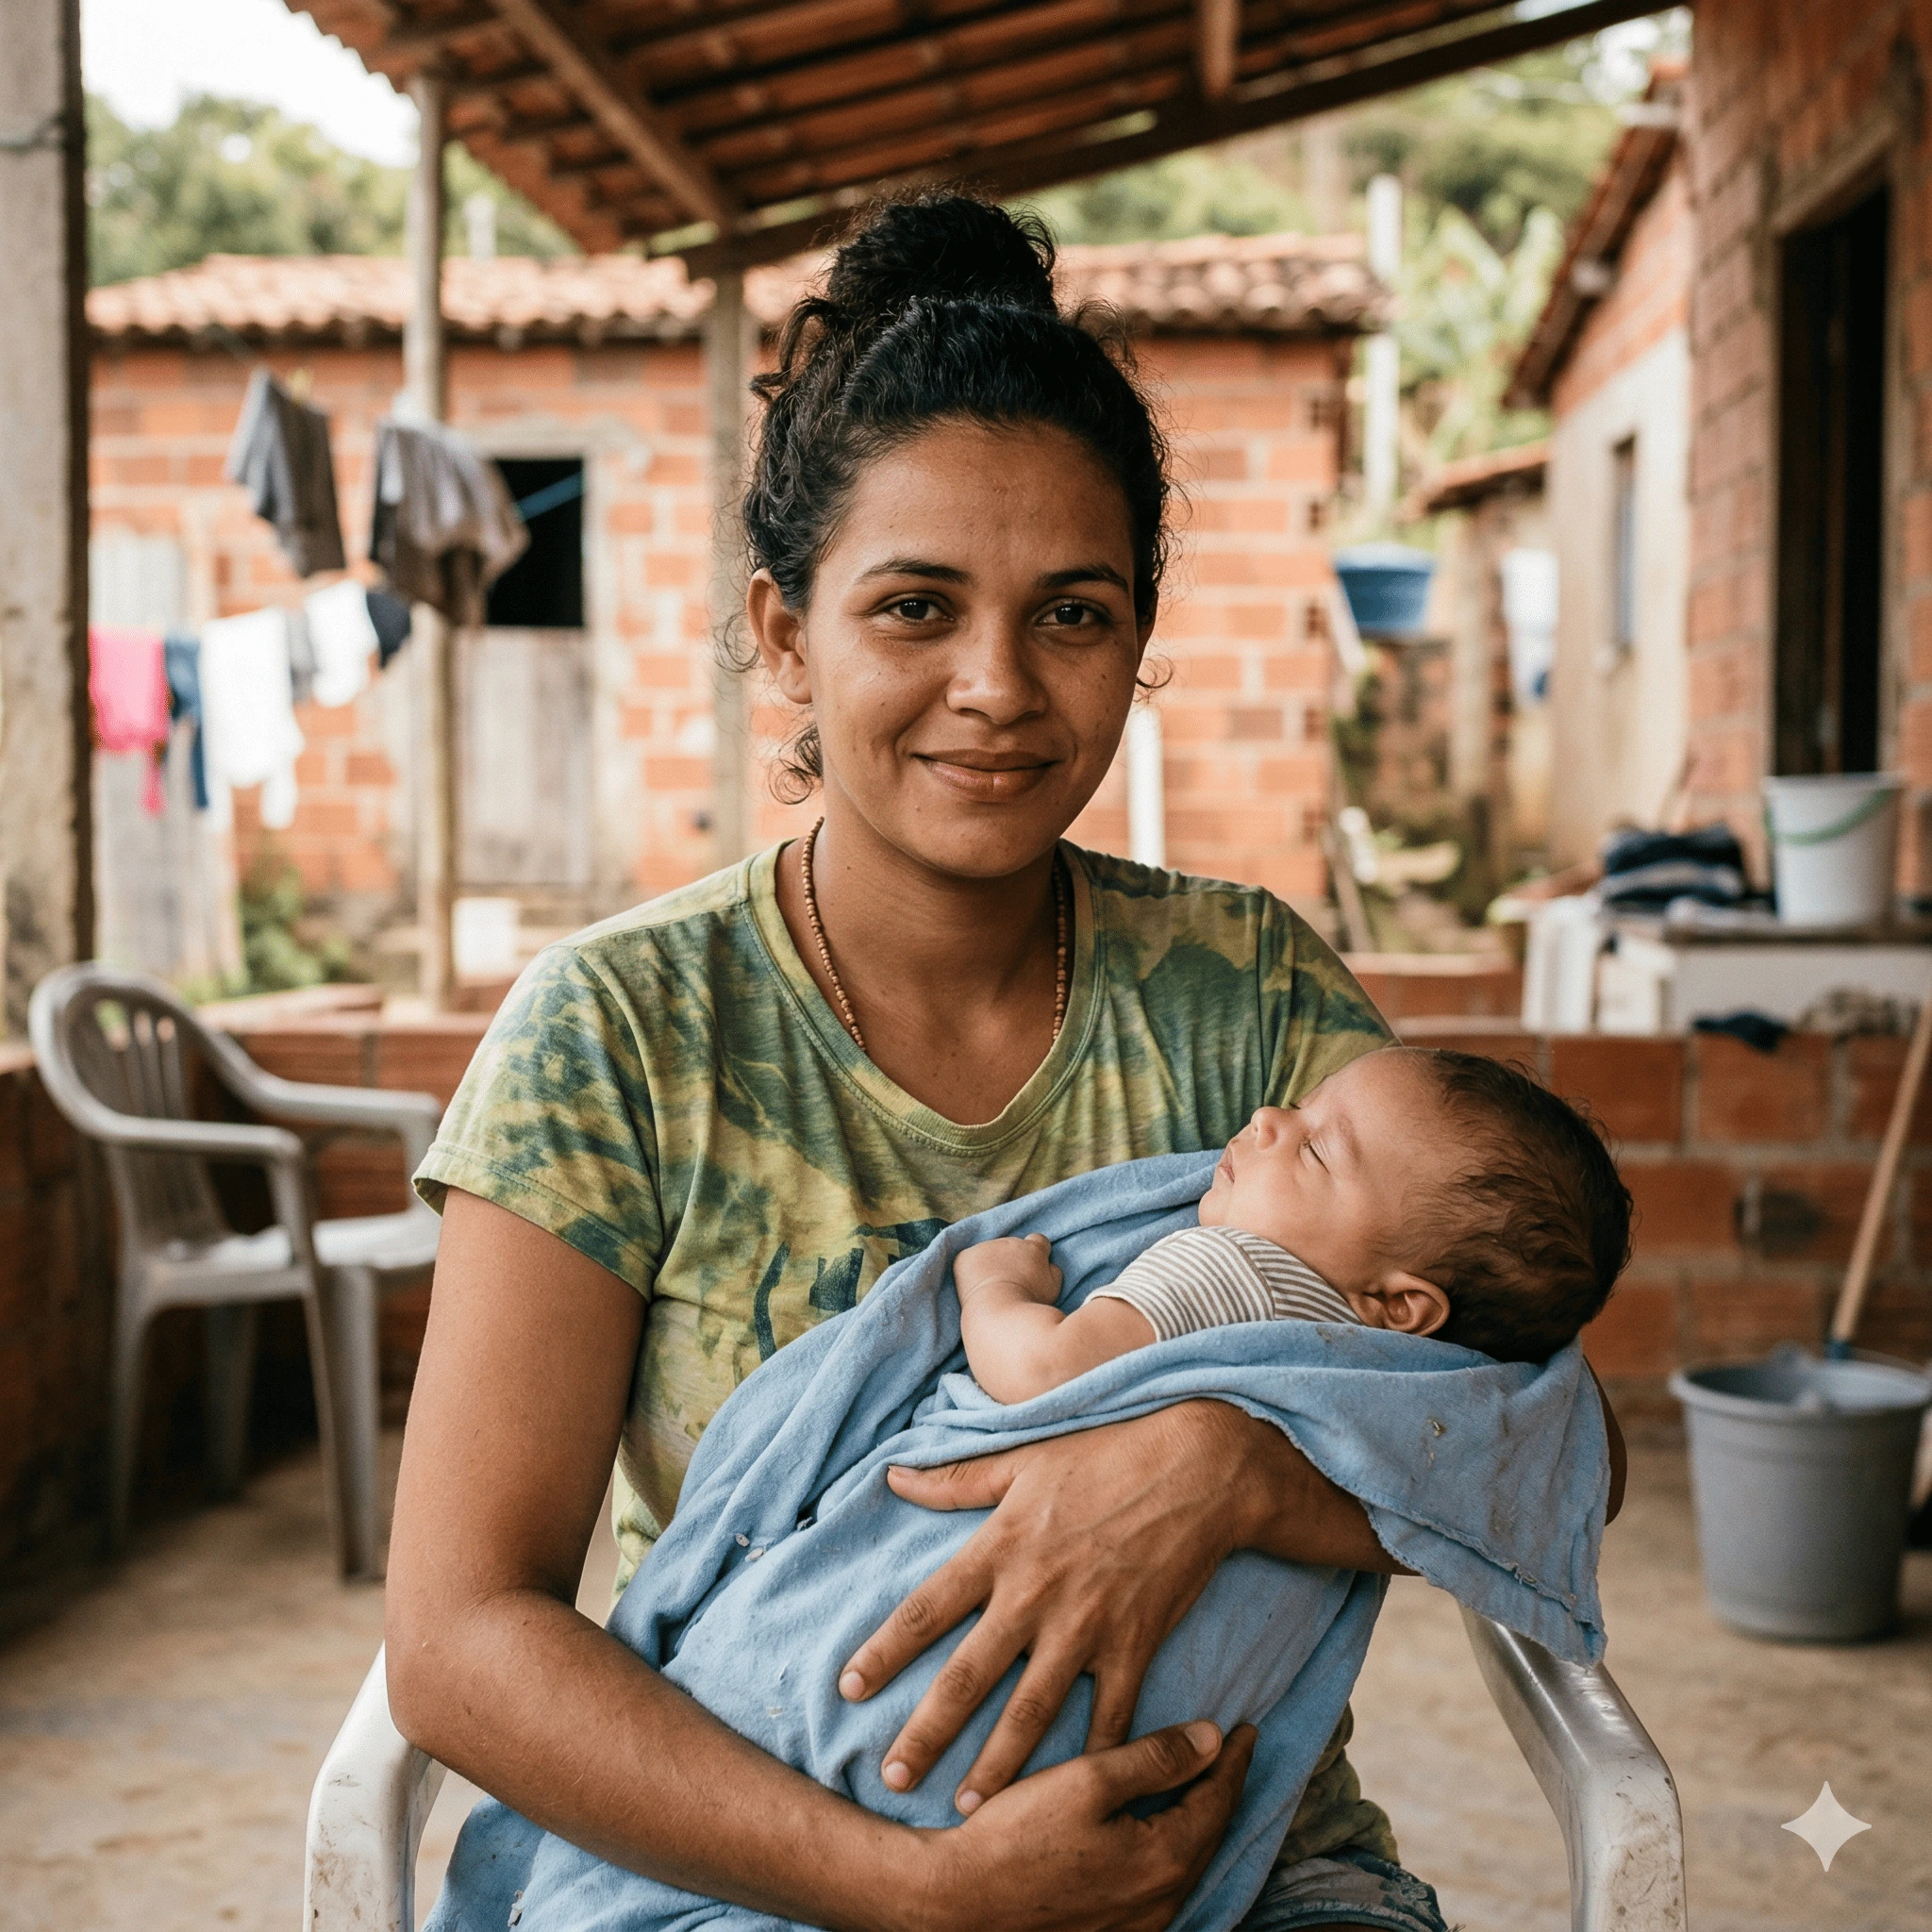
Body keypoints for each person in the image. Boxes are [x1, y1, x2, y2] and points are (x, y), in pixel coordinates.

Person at [389, 192, 1625, 1932]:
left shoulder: (1247, 998)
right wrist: (911, 1887)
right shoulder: (620, 1036)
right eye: (914, 607)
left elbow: (1551, 1441)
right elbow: (459, 1638)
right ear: (782, 630)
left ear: (1138, 635)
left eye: (1071, 614)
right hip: (763, 1851)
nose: (996, 686)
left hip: (1232, 1866)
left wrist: (1219, 1469)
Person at [957, 1047, 1633, 1406]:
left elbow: (1044, 1370)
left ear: (1400, 1304)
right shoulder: (1386, 1381)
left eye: (1315, 1149)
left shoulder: (1236, 1268)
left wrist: (994, 1287)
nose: (1267, 1119)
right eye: (1302, 1105)